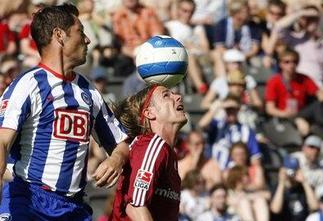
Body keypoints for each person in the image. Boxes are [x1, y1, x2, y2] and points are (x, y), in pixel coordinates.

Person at [0, 4, 130, 220]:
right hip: (29, 201)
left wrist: (116, 159)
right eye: (81, 31)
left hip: (73, 208)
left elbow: (121, 144)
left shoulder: (88, 90)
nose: (87, 40)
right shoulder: (28, 84)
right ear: (59, 35)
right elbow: (2, 142)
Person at [111, 84, 188, 221]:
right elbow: (135, 206)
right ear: (149, 113)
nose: (178, 96)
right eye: (166, 95)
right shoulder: (153, 144)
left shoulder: (168, 153)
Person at [270, 156, 319, 221]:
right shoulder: (278, 188)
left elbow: (315, 206)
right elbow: (275, 210)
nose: (291, 173)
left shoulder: (304, 188)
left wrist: (304, 182)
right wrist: (281, 182)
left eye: (294, 169)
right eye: (289, 169)